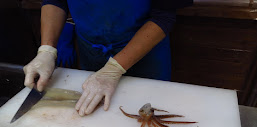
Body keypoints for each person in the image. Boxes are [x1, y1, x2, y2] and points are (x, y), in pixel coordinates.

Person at [23, 0, 193, 116]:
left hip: (146, 56)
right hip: (91, 52)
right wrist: (47, 50)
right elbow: (56, 1)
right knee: (94, 115)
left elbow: (164, 16)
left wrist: (114, 69)